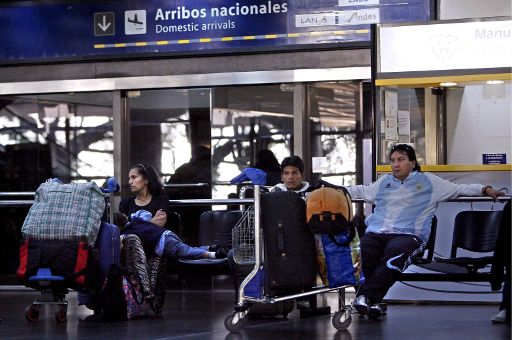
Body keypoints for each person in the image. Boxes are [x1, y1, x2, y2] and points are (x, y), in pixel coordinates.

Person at [348, 144, 506, 319]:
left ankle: (366, 298)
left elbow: (460, 189)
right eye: (393, 161)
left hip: (408, 236)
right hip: (377, 233)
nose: (396, 165)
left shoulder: (429, 181)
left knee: (393, 258)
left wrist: (485, 189)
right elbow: (358, 191)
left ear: (413, 163)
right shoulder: (384, 182)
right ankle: (373, 302)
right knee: (361, 256)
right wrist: (326, 190)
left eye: (401, 160)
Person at [117, 163, 226, 260]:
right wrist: (148, 222)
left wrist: (134, 224)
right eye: (129, 178)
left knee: (181, 249)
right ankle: (210, 249)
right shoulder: (126, 202)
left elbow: (159, 223)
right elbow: (122, 229)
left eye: (134, 177)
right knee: (183, 248)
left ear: (146, 179)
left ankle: (211, 253)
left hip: (157, 242)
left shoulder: (160, 199)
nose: (130, 182)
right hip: (136, 250)